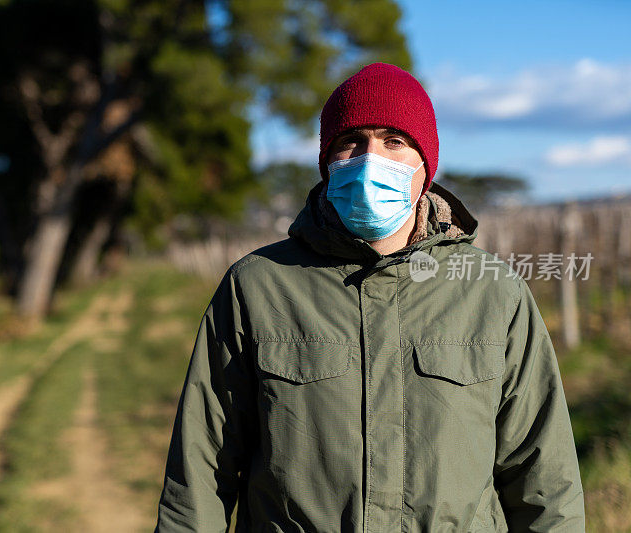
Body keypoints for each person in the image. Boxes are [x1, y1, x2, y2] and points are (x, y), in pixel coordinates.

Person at [155, 62, 585, 532]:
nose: (369, 159)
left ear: (426, 167)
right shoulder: (258, 286)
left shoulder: (493, 292)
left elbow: (544, 480)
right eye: (350, 141)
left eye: (393, 141)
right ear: (328, 162)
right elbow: (201, 469)